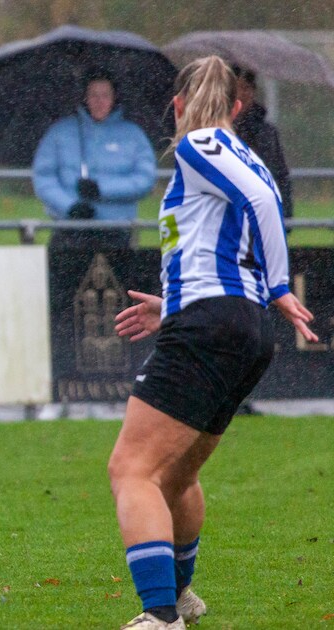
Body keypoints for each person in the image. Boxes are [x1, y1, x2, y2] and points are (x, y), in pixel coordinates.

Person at [107, 56, 318, 629]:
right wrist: (170, 306)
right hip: (239, 329)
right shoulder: (239, 153)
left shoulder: (198, 144)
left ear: (176, 107)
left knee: (132, 469)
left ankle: (160, 614)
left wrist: (279, 284)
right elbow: (221, 240)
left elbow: (263, 206)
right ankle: (180, 599)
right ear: (238, 106)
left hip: (215, 322)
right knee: (175, 476)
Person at [33, 70, 157, 251]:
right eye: (94, 95)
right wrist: (70, 207)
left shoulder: (133, 135)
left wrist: (102, 189)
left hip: (116, 231)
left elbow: (145, 179)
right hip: (69, 231)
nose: (99, 101)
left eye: (105, 95)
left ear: (114, 98)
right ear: (85, 98)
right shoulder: (59, 132)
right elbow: (43, 178)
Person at [232, 65, 294, 224]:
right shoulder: (217, 130)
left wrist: (285, 213)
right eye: (236, 88)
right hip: (229, 219)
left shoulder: (266, 132)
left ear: (253, 92)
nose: (241, 94)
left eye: (246, 88)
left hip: (262, 217)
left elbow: (280, 173)